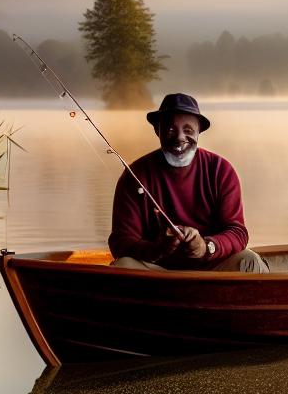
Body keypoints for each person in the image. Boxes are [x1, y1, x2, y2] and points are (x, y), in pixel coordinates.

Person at [109, 93, 270, 272]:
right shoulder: (135, 174)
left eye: (188, 130)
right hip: (157, 273)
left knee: (250, 261)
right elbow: (120, 241)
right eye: (170, 130)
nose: (179, 137)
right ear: (157, 130)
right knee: (122, 266)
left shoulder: (221, 170)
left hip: (213, 269)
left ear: (199, 131)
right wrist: (157, 249)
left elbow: (237, 232)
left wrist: (207, 247)